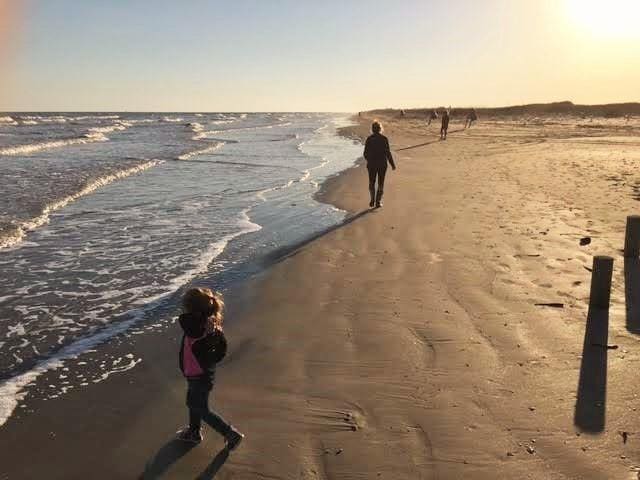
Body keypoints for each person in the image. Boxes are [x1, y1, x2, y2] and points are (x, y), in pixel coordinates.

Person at [175, 287, 244, 450]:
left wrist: (204, 364)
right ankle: (193, 432)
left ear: (192, 310)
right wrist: (210, 361)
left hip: (198, 374)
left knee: (201, 408)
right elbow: (222, 348)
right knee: (193, 403)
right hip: (203, 372)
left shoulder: (195, 327)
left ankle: (230, 434)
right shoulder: (210, 322)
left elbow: (183, 320)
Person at [363, 121, 396, 208]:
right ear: (380, 128)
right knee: (381, 183)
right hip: (382, 164)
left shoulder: (369, 139)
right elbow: (388, 153)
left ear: (372, 129)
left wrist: (369, 160)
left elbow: (365, 153)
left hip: (371, 165)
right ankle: (378, 202)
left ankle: (372, 200)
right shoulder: (384, 139)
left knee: (371, 182)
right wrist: (392, 164)